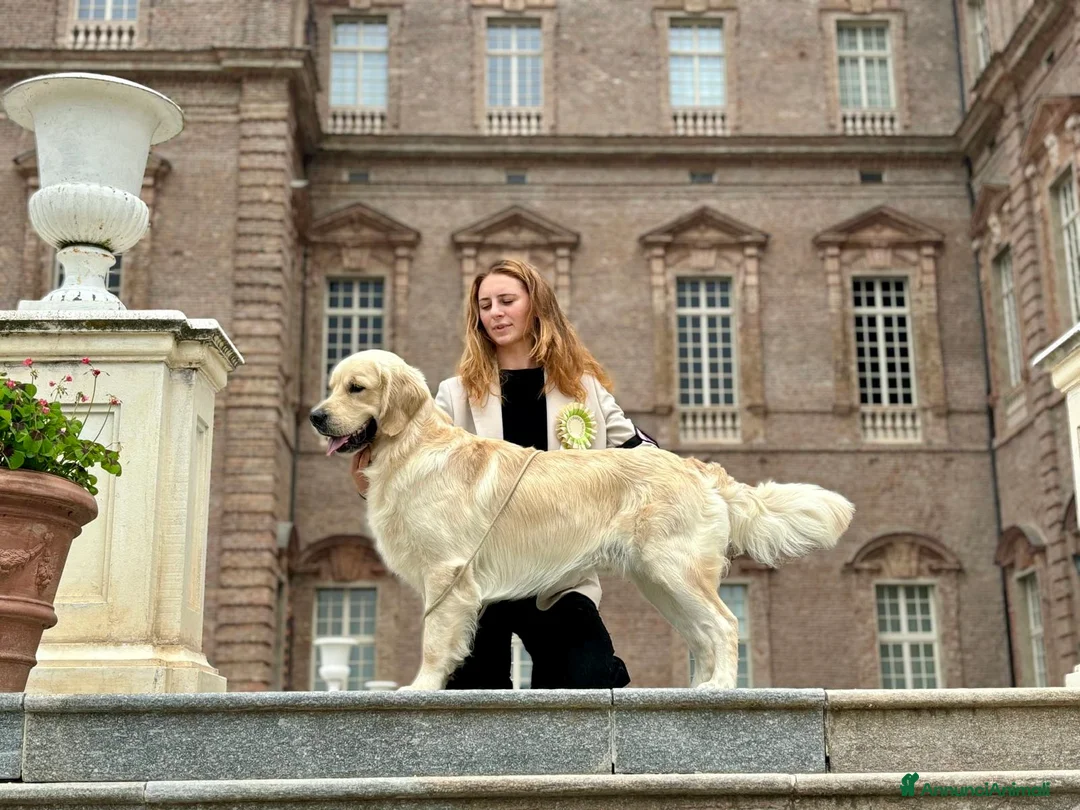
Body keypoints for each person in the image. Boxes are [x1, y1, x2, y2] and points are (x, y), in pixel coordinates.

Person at [350, 257, 656, 689]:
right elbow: (410, 465)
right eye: (485, 304)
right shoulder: (452, 396)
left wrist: (692, 499)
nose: (495, 312)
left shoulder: (584, 390)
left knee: (587, 679)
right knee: (471, 690)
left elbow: (641, 454)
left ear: (537, 307)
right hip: (480, 584)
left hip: (558, 578)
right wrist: (370, 462)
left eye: (507, 300)